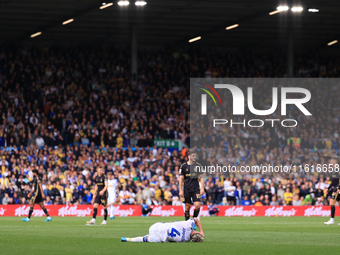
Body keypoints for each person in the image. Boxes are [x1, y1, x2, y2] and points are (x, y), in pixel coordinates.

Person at [121, 218, 204, 243]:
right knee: (145, 239)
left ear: (197, 232)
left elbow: (195, 219)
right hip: (159, 238)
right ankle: (128, 239)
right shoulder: (185, 241)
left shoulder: (188, 225)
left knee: (168, 224)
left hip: (156, 226)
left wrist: (201, 231)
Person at [179, 151, 204, 221]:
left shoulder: (198, 166)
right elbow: (181, 179)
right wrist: (180, 190)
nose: (194, 157)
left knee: (198, 205)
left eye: (195, 156)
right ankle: (187, 223)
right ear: (189, 157)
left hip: (196, 188)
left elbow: (201, 177)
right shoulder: (183, 166)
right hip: (187, 188)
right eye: (193, 156)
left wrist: (202, 188)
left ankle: (193, 220)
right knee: (187, 207)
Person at [324, 155, 340, 225]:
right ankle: (332, 220)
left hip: (337, 188)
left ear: (335, 161)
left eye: (332, 161)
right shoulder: (334, 169)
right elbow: (333, 181)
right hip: (336, 187)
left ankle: (332, 220)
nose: (331, 162)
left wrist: (339, 188)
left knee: (331, 203)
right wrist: (328, 188)